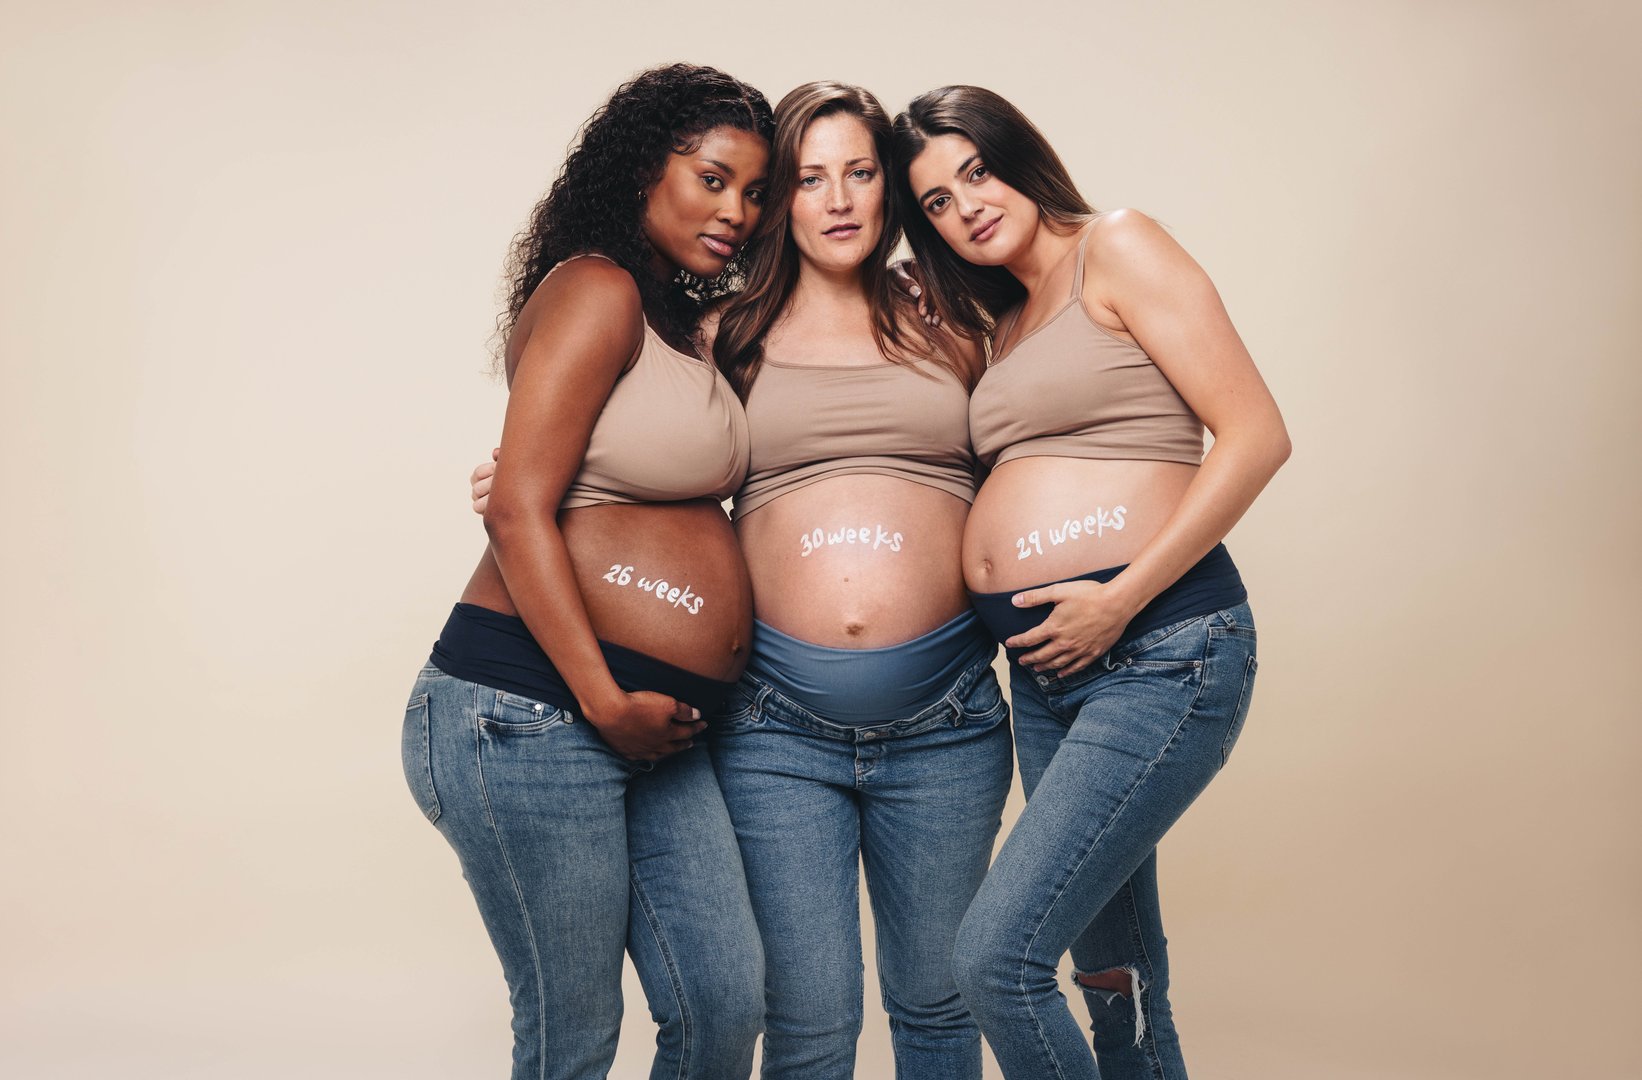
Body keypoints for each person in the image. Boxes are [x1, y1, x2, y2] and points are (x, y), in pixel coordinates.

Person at [473, 81, 1011, 1080]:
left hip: (946, 718)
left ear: (890, 191)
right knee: (803, 1021)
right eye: (808, 180)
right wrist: (520, 480)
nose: (838, 200)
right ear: (784, 207)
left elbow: (1038, 441)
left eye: (860, 174)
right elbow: (634, 449)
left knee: (941, 1006)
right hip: (776, 725)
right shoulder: (722, 337)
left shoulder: (953, 323)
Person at [893, 85, 1291, 1080]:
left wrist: (1119, 599)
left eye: (973, 172)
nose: (965, 206)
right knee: (1110, 965)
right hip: (1048, 672)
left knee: (996, 958)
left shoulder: (1116, 245)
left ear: (1014, 153)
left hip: (1160, 648)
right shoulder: (1005, 319)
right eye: (936, 201)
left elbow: (1253, 436)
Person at [402, 63, 774, 1080]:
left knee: (721, 1003)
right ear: (641, 169)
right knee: (573, 1035)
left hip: (654, 729)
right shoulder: (595, 287)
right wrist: (604, 699)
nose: (735, 210)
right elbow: (522, 505)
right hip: (527, 710)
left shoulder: (680, 325)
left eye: (752, 191)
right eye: (711, 178)